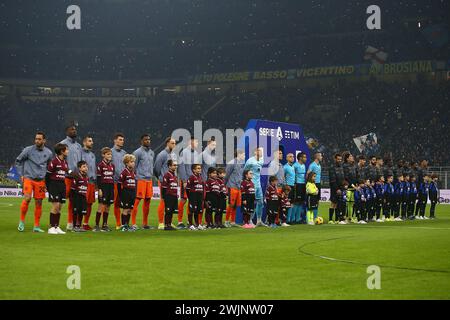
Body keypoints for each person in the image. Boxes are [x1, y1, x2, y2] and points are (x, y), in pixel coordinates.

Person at [16, 132, 53, 233]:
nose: (37, 141)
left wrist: (47, 181)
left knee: (39, 203)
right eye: (36, 139)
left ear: (44, 141)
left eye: (39, 139)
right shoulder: (28, 150)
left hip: (40, 181)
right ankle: (21, 222)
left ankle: (36, 226)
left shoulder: (49, 153)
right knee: (27, 198)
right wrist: (21, 174)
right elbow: (18, 160)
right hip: (29, 178)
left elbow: (50, 167)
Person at [60, 125, 83, 231]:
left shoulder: (79, 146)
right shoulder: (63, 144)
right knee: (60, 200)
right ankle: (56, 223)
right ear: (67, 131)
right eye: (72, 129)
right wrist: (68, 171)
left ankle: (70, 223)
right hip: (66, 177)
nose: (74, 131)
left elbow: (80, 162)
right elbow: (61, 161)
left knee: (73, 202)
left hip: (76, 178)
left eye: (75, 129)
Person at [131, 134, 155, 230]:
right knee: (136, 201)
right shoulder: (137, 152)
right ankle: (133, 223)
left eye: (149, 139)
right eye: (146, 140)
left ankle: (145, 224)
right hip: (140, 179)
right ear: (141, 141)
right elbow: (133, 167)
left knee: (147, 201)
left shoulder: (152, 153)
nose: (148, 141)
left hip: (149, 180)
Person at [154, 137, 178, 230]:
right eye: (172, 143)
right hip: (164, 182)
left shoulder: (174, 155)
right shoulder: (162, 154)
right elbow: (156, 168)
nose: (174, 145)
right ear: (167, 143)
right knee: (163, 201)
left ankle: (169, 222)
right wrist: (160, 178)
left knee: (171, 203)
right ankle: (161, 223)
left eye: (175, 143)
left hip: (172, 182)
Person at [46, 143, 69, 234]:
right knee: (55, 206)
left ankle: (57, 226)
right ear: (62, 151)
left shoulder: (65, 162)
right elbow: (47, 176)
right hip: (53, 185)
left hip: (62, 184)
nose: (68, 151)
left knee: (59, 207)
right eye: (66, 150)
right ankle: (51, 227)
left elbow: (66, 172)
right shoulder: (54, 162)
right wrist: (48, 188)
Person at [178, 138, 201, 229]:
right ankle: (180, 221)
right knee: (183, 200)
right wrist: (184, 180)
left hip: (194, 181)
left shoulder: (196, 153)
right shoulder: (184, 152)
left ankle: (189, 221)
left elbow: (196, 168)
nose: (197, 143)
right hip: (186, 180)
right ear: (190, 142)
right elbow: (181, 166)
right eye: (196, 141)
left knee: (192, 201)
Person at [244, 147, 266, 227]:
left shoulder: (262, 160)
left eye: (262, 151)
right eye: (260, 150)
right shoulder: (250, 161)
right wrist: (247, 183)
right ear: (255, 152)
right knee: (252, 203)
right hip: (251, 184)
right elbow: (245, 171)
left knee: (260, 202)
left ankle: (259, 220)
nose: (261, 152)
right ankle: (249, 220)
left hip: (258, 185)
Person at [95, 147, 115, 232]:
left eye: (110, 154)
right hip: (103, 187)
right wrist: (99, 189)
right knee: (101, 206)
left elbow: (112, 176)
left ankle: (104, 225)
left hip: (110, 187)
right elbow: (98, 178)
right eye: (108, 154)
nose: (110, 155)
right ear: (103, 155)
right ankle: (96, 225)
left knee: (108, 206)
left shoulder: (112, 165)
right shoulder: (100, 165)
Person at [224, 149, 245, 227]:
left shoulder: (241, 164)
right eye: (243, 154)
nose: (244, 156)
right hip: (231, 186)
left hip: (238, 187)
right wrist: (224, 186)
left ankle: (232, 221)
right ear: (239, 154)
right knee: (231, 204)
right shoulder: (231, 163)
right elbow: (226, 175)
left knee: (236, 205)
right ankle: (226, 221)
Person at [111, 133, 127, 230]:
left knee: (123, 202)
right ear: (115, 140)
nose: (122, 141)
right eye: (120, 139)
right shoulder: (110, 152)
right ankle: (118, 224)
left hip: (124, 182)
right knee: (116, 202)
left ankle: (124, 223)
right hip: (114, 181)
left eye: (123, 140)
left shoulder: (124, 153)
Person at [81, 135, 97, 231]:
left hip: (91, 182)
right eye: (90, 141)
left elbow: (93, 169)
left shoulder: (92, 155)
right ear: (84, 142)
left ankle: (85, 223)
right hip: (83, 181)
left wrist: (95, 183)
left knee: (89, 203)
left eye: (92, 141)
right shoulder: (80, 153)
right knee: (81, 203)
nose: (92, 142)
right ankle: (77, 223)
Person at [119, 154, 137, 232]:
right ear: (126, 163)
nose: (133, 163)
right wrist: (121, 194)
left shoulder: (133, 172)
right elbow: (119, 183)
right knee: (125, 209)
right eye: (131, 162)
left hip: (132, 192)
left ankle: (127, 225)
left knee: (130, 209)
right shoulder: (124, 172)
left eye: (133, 162)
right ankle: (123, 226)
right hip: (126, 192)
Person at [70, 161, 89, 232]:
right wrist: (72, 198)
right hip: (76, 196)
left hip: (83, 196)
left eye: (86, 166)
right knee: (75, 211)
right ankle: (74, 226)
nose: (86, 168)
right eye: (84, 166)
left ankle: (79, 226)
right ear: (79, 168)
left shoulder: (87, 177)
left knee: (82, 212)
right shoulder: (77, 176)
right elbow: (72, 188)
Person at [161, 159, 179, 231]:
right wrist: (164, 197)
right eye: (174, 165)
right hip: (168, 196)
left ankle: (169, 224)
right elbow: (164, 187)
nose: (175, 167)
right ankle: (166, 225)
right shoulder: (167, 175)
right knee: (168, 211)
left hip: (174, 195)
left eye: (176, 165)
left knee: (171, 211)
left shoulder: (175, 175)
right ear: (169, 166)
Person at [186, 164, 205, 230]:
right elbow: (187, 188)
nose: (199, 170)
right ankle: (190, 225)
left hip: (199, 196)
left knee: (197, 211)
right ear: (194, 170)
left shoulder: (201, 177)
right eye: (198, 168)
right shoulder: (191, 177)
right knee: (191, 210)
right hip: (193, 196)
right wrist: (190, 197)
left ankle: (197, 224)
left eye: (200, 168)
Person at [328, 153, 344, 225]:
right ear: (335, 159)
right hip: (335, 188)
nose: (339, 160)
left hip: (341, 188)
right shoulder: (332, 167)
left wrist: (343, 187)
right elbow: (332, 180)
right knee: (333, 203)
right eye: (338, 159)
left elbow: (343, 178)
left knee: (338, 204)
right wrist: (337, 189)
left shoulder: (341, 167)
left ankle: (337, 219)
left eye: (340, 159)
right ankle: (330, 219)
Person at [307, 152, 322, 220]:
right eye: (321, 156)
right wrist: (309, 183)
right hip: (313, 184)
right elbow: (308, 174)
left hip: (318, 184)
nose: (322, 157)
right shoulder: (312, 165)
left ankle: (315, 216)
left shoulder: (319, 165)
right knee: (312, 201)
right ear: (317, 157)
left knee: (317, 200)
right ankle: (310, 217)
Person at [342, 152, 357, 223]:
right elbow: (346, 177)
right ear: (347, 158)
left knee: (351, 204)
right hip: (348, 187)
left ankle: (350, 218)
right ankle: (344, 218)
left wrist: (356, 184)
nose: (352, 157)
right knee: (347, 204)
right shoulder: (345, 166)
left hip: (353, 187)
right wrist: (352, 184)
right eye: (351, 156)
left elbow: (355, 176)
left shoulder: (353, 166)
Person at [293, 152, 307, 224]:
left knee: (301, 202)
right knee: (296, 202)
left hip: (303, 184)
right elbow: (293, 175)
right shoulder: (295, 165)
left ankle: (298, 218)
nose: (306, 159)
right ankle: (293, 218)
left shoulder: (304, 165)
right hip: (297, 185)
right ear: (300, 158)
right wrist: (294, 184)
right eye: (304, 157)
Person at [283, 153, 296, 224]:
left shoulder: (293, 166)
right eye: (290, 157)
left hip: (293, 186)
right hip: (288, 187)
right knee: (286, 203)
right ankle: (286, 220)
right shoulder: (285, 167)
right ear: (287, 158)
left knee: (292, 203)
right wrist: (286, 186)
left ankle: (290, 219)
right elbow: (283, 176)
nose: (292, 158)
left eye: (293, 156)